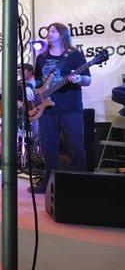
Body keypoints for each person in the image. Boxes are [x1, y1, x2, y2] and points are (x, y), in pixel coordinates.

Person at [30, 22, 91, 193]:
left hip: (71, 109)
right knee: (49, 149)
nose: (49, 34)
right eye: (48, 31)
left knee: (76, 147)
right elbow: (37, 80)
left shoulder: (75, 55)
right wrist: (32, 90)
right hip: (47, 110)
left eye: (53, 31)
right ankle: (48, 184)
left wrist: (78, 79)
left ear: (63, 34)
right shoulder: (41, 57)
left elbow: (88, 79)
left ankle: (81, 184)